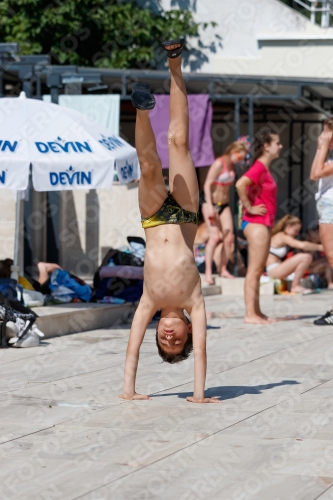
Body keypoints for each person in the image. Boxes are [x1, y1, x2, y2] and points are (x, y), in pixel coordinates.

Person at [119, 38, 220, 404]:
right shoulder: (195, 303)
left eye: (164, 341)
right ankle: (175, 66)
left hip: (153, 218)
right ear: (189, 331)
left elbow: (131, 347)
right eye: (178, 341)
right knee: (178, 143)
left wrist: (128, 391)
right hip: (186, 214)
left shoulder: (149, 302)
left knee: (146, 164)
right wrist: (198, 395)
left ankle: (142, 109)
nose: (169, 337)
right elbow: (203, 353)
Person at [236, 127, 283, 324]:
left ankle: (257, 312)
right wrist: (249, 207)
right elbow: (240, 184)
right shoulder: (259, 167)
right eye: (277, 143)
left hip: (262, 224)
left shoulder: (264, 168)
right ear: (266, 146)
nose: (280, 146)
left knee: (257, 270)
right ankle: (250, 314)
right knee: (254, 270)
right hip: (256, 223)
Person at [202, 142, 248, 284]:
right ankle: (208, 271)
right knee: (215, 237)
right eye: (239, 156)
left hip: (225, 205)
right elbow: (207, 184)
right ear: (233, 150)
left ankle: (223, 268)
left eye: (243, 157)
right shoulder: (218, 163)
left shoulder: (234, 166)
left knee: (228, 238)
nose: (240, 159)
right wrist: (210, 206)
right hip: (211, 204)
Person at [310, 118, 333, 324]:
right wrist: (321, 147)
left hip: (330, 208)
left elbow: (315, 173)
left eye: (326, 133)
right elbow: (313, 174)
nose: (322, 137)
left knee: (332, 257)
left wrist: (323, 146)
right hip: (328, 207)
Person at [266, 215, 323, 293]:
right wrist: (321, 247)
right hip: (274, 271)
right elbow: (303, 245)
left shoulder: (283, 236)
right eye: (296, 231)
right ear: (289, 227)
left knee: (307, 258)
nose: (297, 234)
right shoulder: (282, 236)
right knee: (306, 257)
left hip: (278, 268)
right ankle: (295, 286)